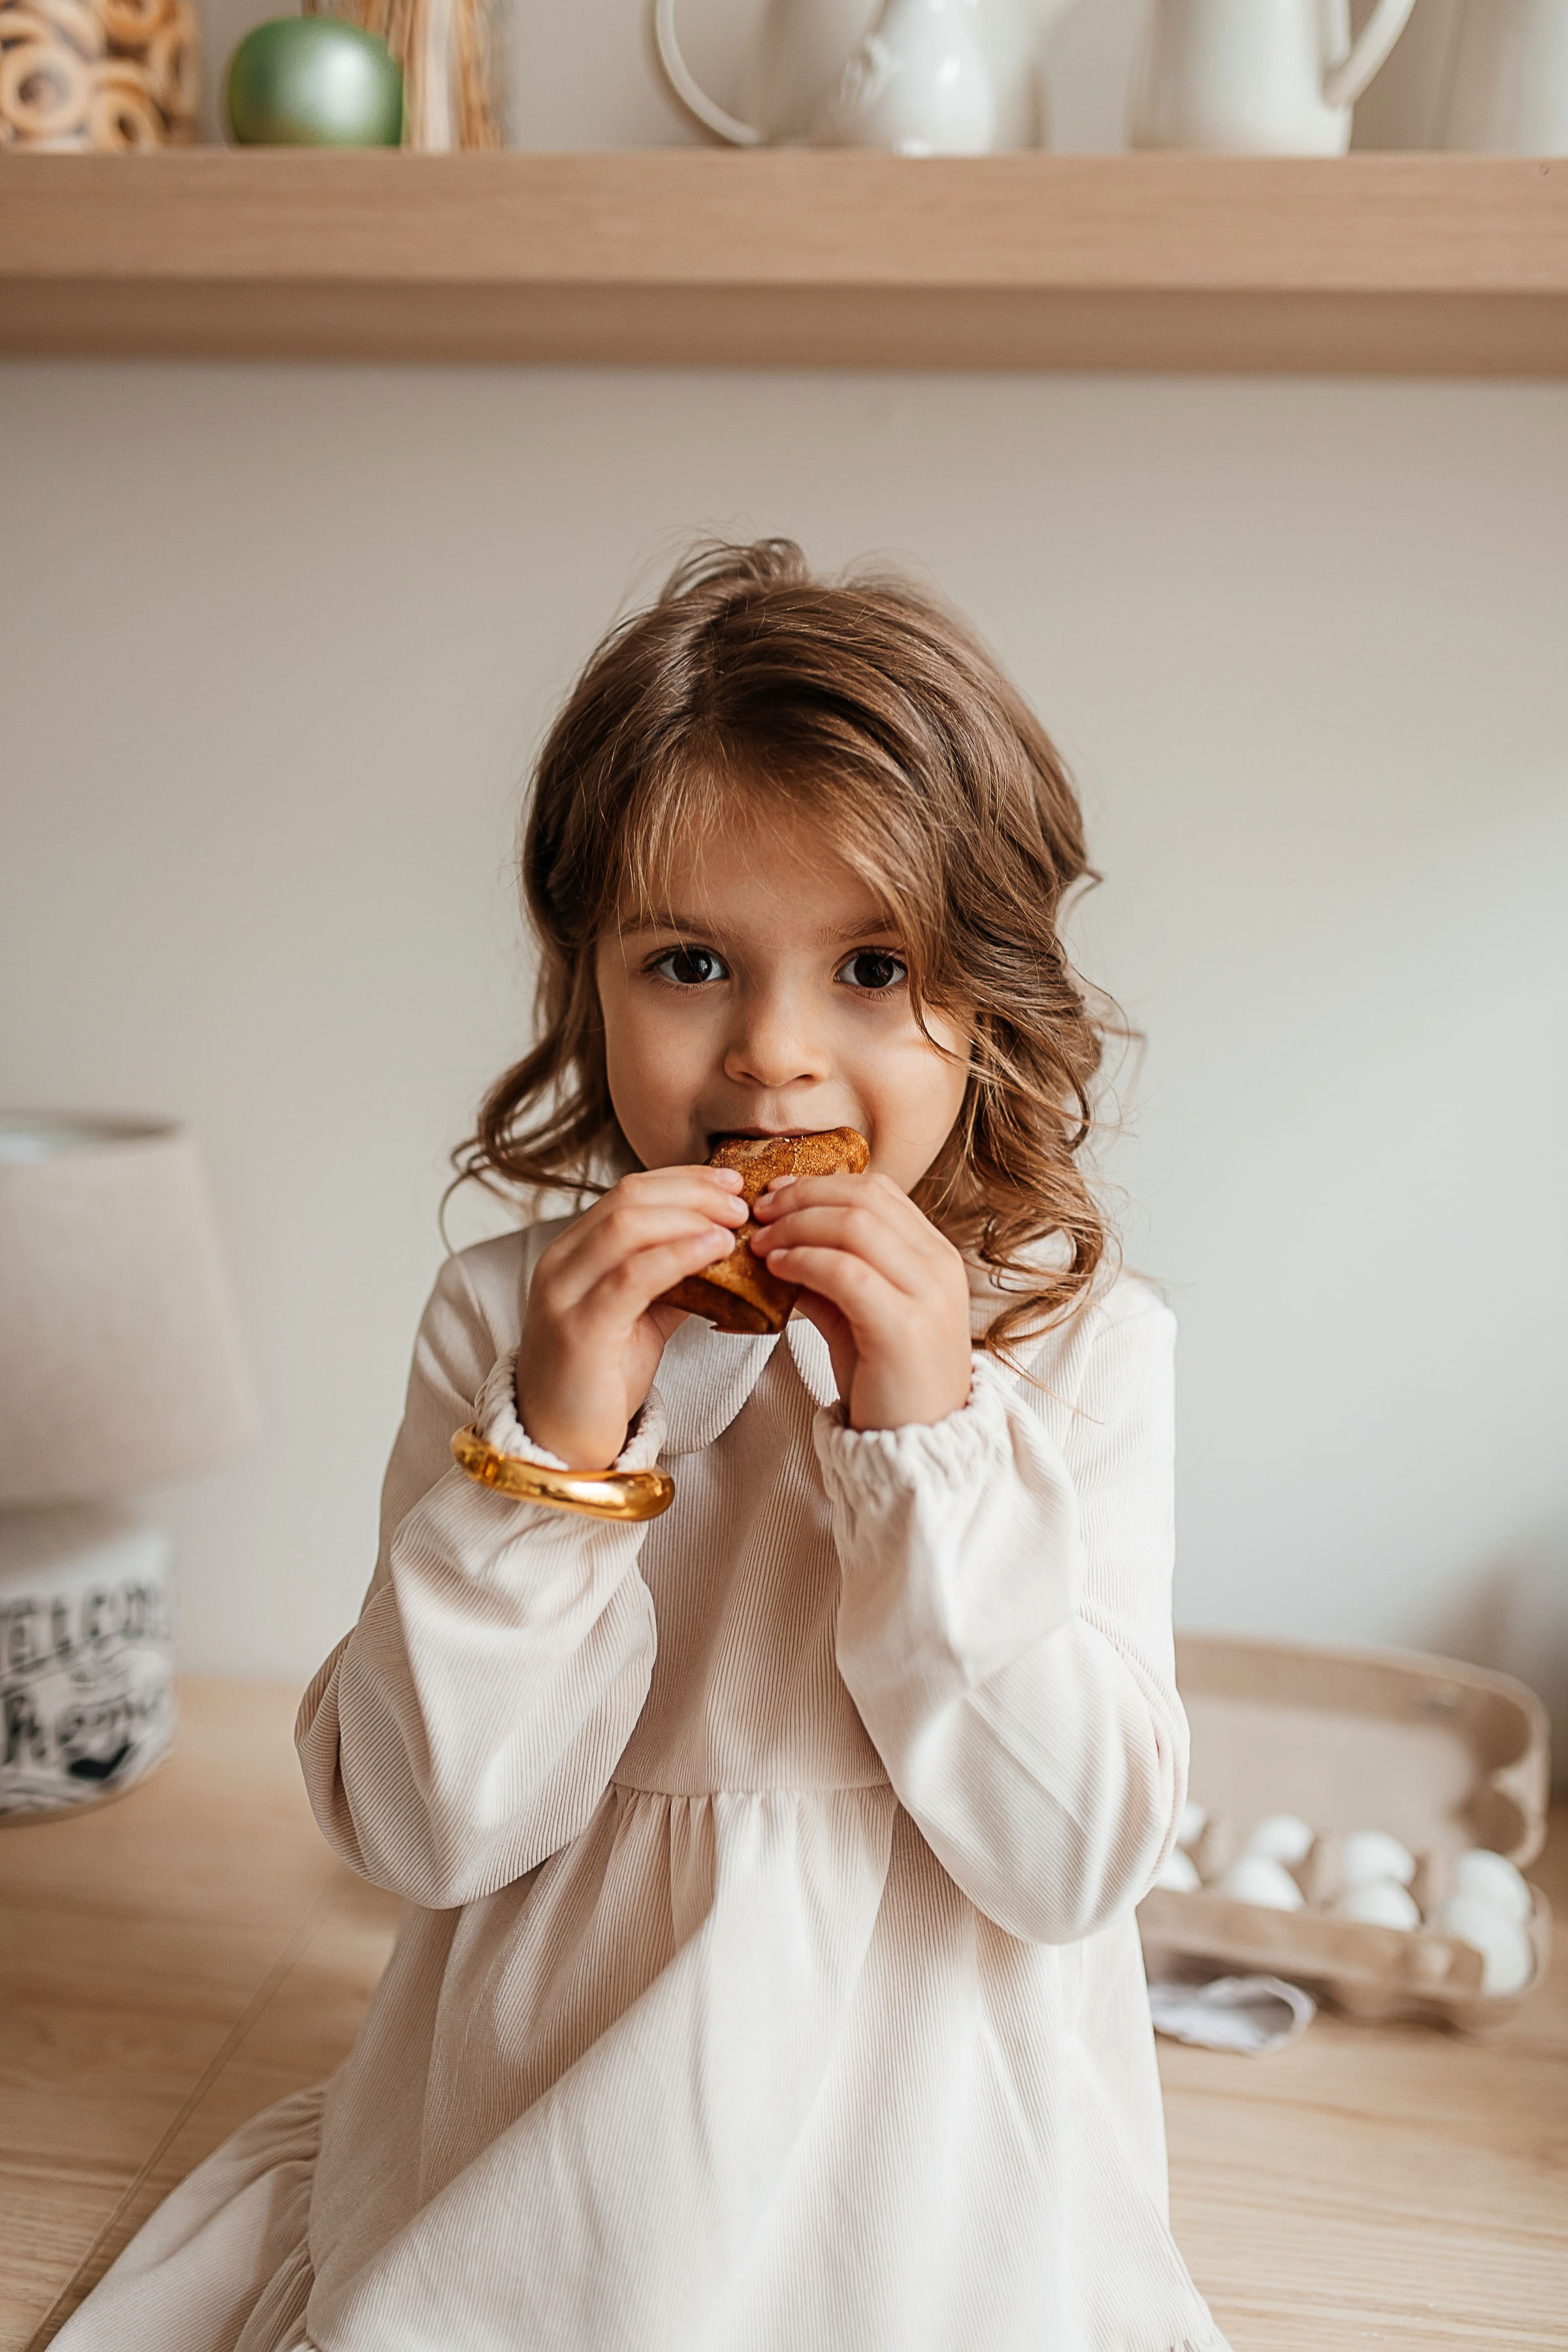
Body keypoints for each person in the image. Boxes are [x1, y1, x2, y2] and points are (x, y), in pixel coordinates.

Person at [57, 540, 1226, 2352]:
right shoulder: (509, 1319)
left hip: (935, 2151)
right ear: (580, 984)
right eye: (690, 962)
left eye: (870, 966)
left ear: (988, 993)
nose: (773, 1060)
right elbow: (424, 1831)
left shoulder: (1078, 1353)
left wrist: (924, 1443)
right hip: (552, 2103)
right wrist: (559, 1441)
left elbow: (1067, 1861)